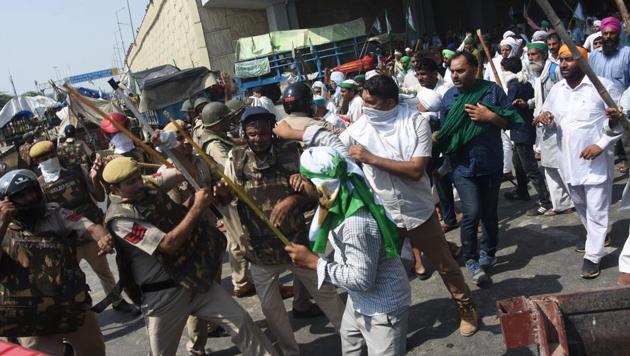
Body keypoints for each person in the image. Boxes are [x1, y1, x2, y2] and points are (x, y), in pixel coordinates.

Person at [274, 75, 479, 337]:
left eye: (371, 103)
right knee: (383, 269)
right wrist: (299, 140)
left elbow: (416, 170)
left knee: (446, 265)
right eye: (365, 101)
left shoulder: (414, 122)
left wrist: (370, 158)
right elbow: (335, 144)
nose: (365, 107)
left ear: (389, 102)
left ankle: (466, 307)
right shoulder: (361, 127)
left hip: (418, 211)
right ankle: (388, 321)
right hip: (384, 214)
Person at [102, 157, 277, 356]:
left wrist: (194, 194)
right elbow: (168, 244)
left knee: (241, 321)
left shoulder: (148, 189)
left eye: (138, 178)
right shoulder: (120, 220)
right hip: (163, 297)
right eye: (131, 183)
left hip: (193, 278)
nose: (139, 184)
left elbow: (181, 198)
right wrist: (197, 207)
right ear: (115, 189)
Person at [219, 107, 345, 356]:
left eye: (264, 133)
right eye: (252, 134)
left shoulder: (292, 153)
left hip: (295, 245)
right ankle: (290, 352)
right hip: (260, 253)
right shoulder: (235, 158)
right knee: (272, 310)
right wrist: (222, 195)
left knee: (327, 295)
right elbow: (228, 197)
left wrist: (297, 194)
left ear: (272, 132)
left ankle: (356, 339)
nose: (258, 139)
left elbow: (318, 195)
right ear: (244, 133)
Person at [286, 146, 411, 356]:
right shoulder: (340, 196)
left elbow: (362, 280)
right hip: (359, 301)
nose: (302, 185)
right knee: (350, 340)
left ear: (320, 185)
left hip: (382, 309)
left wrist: (315, 263)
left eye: (306, 180)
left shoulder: (355, 224)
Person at [0, 169, 113, 355]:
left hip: (71, 303)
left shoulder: (54, 212)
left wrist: (102, 237)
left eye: (32, 191)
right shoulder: (3, 225)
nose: (30, 198)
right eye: (21, 196)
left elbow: (88, 226)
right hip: (30, 315)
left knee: (94, 350)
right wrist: (3, 223)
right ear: (6, 201)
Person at [535, 45, 623, 279]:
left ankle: (593, 256)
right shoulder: (556, 90)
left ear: (583, 62)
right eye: (561, 60)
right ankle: (598, 236)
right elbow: (548, 116)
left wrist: (601, 144)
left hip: (597, 162)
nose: (563, 64)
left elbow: (621, 121)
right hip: (568, 162)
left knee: (596, 209)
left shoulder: (602, 87)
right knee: (582, 207)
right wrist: (545, 119)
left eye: (569, 60)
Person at [436, 51, 524, 285]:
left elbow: (511, 121)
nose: (455, 75)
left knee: (488, 213)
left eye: (460, 70)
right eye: (452, 70)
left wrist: (489, 116)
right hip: (462, 166)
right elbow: (447, 134)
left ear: (475, 70)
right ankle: (471, 257)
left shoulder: (491, 91)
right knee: (472, 212)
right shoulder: (448, 98)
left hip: (489, 162)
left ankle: (488, 253)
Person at [28, 140, 140, 315]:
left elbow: (99, 196)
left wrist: (95, 179)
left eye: (52, 155)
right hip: (66, 241)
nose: (50, 159)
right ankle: (79, 313)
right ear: (37, 162)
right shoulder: (38, 186)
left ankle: (117, 301)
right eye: (44, 158)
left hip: (91, 234)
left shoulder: (76, 171)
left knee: (104, 271)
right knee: (69, 279)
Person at [502, 57, 551, 216]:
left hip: (522, 130)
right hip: (521, 130)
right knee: (518, 164)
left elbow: (507, 107)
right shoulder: (525, 83)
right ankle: (522, 191)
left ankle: (545, 202)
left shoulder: (514, 85)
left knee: (530, 168)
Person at [589, 16, 630, 89]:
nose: (608, 36)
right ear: (602, 35)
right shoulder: (594, 55)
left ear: (618, 34)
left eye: (612, 33)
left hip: (621, 100)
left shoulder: (627, 54)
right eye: (605, 33)